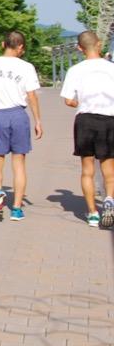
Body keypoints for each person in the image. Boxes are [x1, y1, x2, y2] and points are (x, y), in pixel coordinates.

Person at [0, 30, 43, 222]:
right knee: (19, 163)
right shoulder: (26, 67)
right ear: (21, 47)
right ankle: (16, 208)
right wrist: (38, 120)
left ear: (2, 44)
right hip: (18, 115)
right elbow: (31, 96)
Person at [60, 30, 114, 229]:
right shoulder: (111, 68)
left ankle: (92, 213)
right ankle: (109, 199)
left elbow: (68, 100)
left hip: (85, 120)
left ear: (80, 48)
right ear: (99, 44)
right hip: (109, 119)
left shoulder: (75, 70)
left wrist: (79, 103)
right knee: (109, 169)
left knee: (87, 169)